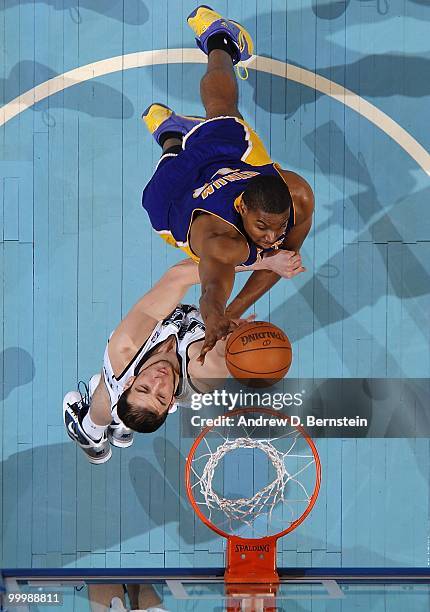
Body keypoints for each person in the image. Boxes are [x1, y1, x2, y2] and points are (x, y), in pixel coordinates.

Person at [141, 5, 314, 362]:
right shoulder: (222, 243)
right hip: (178, 197)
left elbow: (283, 256)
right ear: (242, 207)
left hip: (209, 181)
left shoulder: (296, 196)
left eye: (278, 227)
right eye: (262, 227)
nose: (270, 237)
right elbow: (210, 288)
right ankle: (217, 42)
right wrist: (217, 314)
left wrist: (234, 312)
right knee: (211, 118)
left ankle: (174, 124)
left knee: (221, 114)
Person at [63, 260, 251, 464]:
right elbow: (225, 347)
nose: (158, 382)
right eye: (161, 396)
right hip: (184, 365)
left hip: (126, 366)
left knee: (109, 392)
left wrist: (254, 259)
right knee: (122, 402)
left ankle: (91, 426)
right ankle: (91, 436)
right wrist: (234, 337)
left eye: (144, 388)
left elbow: (177, 277)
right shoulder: (202, 375)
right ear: (171, 403)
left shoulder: (125, 348)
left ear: (131, 381)